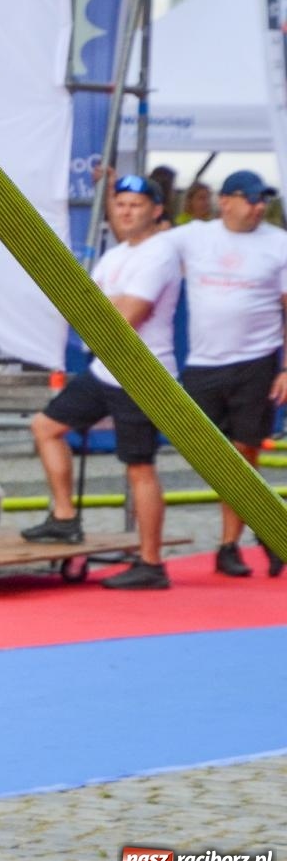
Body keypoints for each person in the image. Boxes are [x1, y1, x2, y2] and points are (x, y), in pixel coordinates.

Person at [20, 175, 182, 589]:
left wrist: (91, 306)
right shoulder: (118, 253)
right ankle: (64, 518)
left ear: (156, 210)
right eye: (121, 204)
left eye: (136, 205)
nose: (126, 211)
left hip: (144, 373)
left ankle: (151, 563)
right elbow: (87, 312)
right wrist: (92, 306)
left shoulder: (160, 252)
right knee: (45, 427)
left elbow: (124, 317)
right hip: (106, 368)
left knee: (139, 469)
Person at [164, 169, 287, 578]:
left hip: (257, 360)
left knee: (245, 453)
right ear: (226, 201)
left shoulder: (278, 243)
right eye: (251, 199)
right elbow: (144, 232)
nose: (258, 208)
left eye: (262, 201)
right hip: (204, 361)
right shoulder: (195, 236)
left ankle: (231, 542)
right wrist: (108, 190)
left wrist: (285, 367)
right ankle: (266, 531)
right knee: (213, 458)